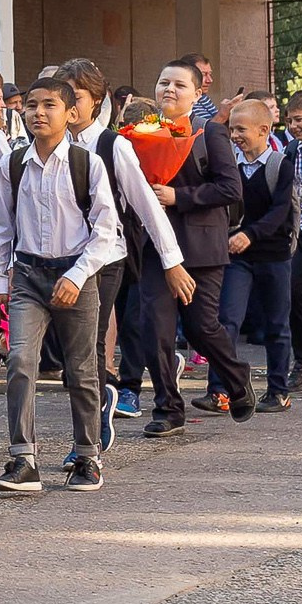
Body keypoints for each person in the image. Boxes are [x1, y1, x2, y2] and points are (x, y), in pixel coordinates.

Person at [0, 75, 124, 495]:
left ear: (71, 114)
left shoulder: (86, 163)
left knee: (81, 370)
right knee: (20, 361)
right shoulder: (13, 163)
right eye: (31, 105)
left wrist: (77, 275)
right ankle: (23, 458)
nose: (38, 113)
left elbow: (107, 231)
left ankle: (87, 456)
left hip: (76, 275)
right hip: (27, 275)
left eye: (49, 106)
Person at [59, 60, 185, 434]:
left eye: (76, 97)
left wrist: (171, 260)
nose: (66, 106)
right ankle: (98, 402)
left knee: (91, 339)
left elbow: (146, 205)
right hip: (62, 257)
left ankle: (93, 425)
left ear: (96, 100)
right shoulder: (51, 143)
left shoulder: (113, 145)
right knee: (72, 345)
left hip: (108, 254)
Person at [132, 58, 252, 434]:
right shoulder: (139, 133)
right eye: (163, 82)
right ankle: (168, 407)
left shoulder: (209, 133)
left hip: (200, 248)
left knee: (201, 327)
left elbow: (231, 189)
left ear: (198, 93)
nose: (169, 90)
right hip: (155, 248)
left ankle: (236, 377)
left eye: (179, 85)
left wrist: (177, 196)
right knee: (155, 329)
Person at [218, 101, 297, 411]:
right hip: (237, 257)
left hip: (273, 255)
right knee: (227, 321)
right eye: (232, 129)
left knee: (276, 324)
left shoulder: (280, 165)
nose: (235, 135)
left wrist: (250, 235)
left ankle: (278, 390)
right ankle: (220, 389)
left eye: (241, 129)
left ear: (264, 130)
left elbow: (281, 212)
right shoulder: (229, 166)